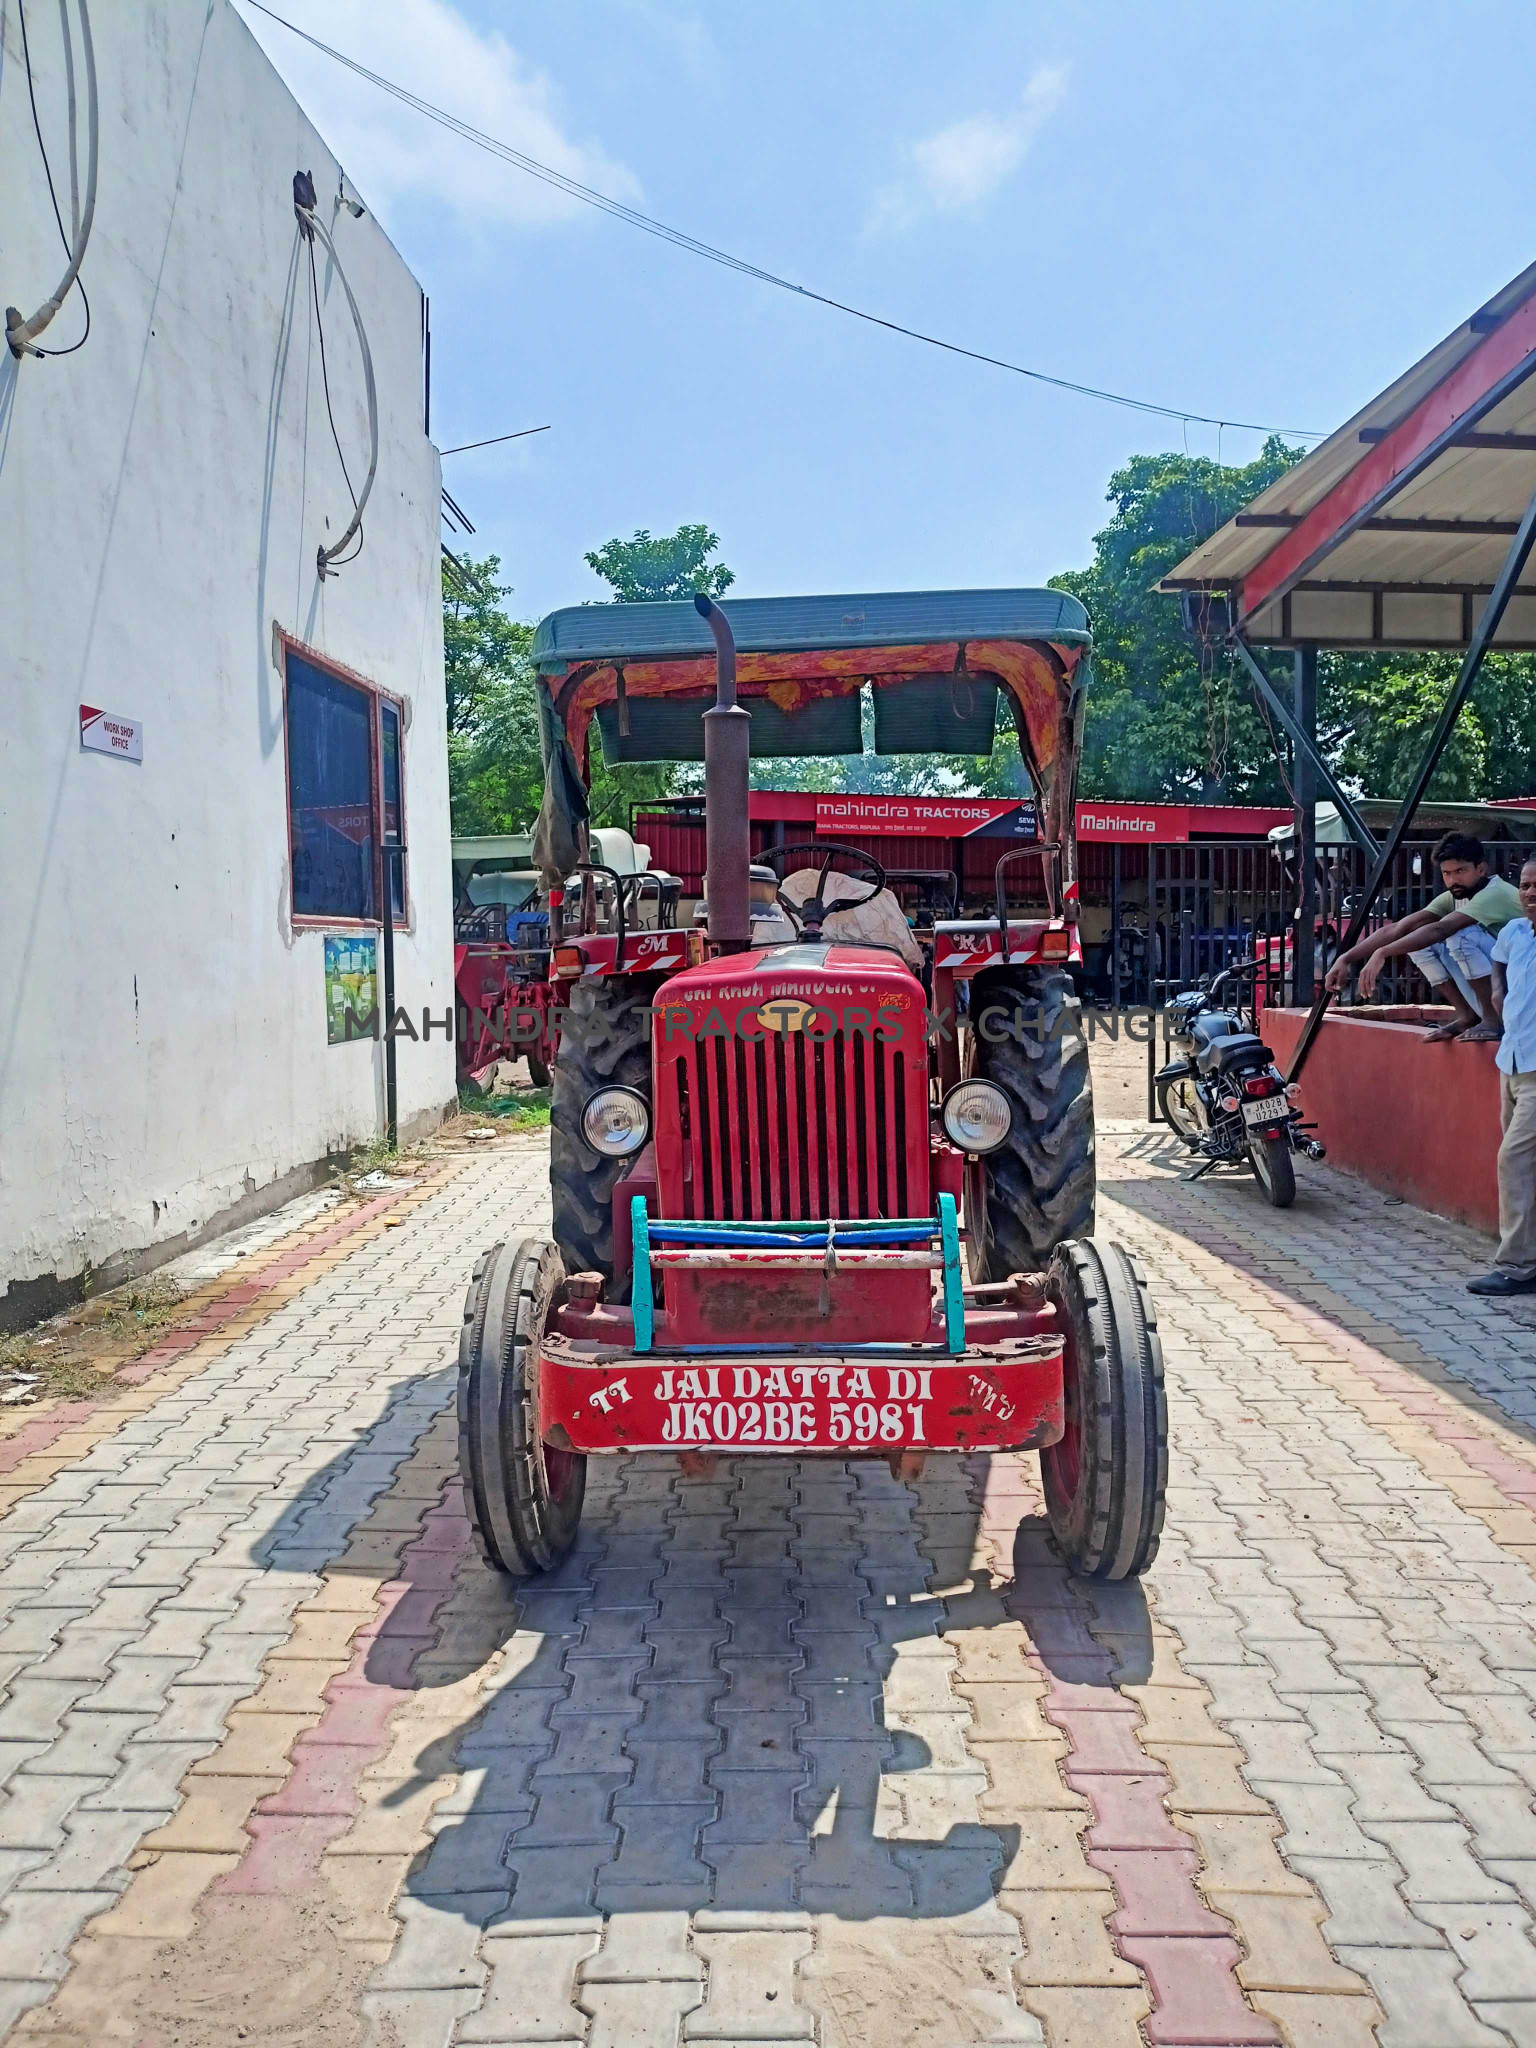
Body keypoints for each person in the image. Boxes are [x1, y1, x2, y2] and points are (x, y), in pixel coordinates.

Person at [1323, 833, 1524, 1042]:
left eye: (1460, 871)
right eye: (1446, 873)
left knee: (1461, 936)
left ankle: (1492, 1021)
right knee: (1419, 943)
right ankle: (1467, 1015)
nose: (1453, 880)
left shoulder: (1495, 893)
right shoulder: (1457, 895)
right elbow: (1400, 928)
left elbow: (1441, 929)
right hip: (1502, 978)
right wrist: (1344, 959)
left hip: (1522, 982)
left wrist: (1383, 953)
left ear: (1481, 869)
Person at [1469, 857, 1536, 1296]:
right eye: (1526, 884)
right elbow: (1496, 959)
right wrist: (1496, 986)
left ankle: (1517, 1266)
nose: (1530, 893)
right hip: (1510, 1064)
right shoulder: (1516, 932)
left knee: (1512, 1160)